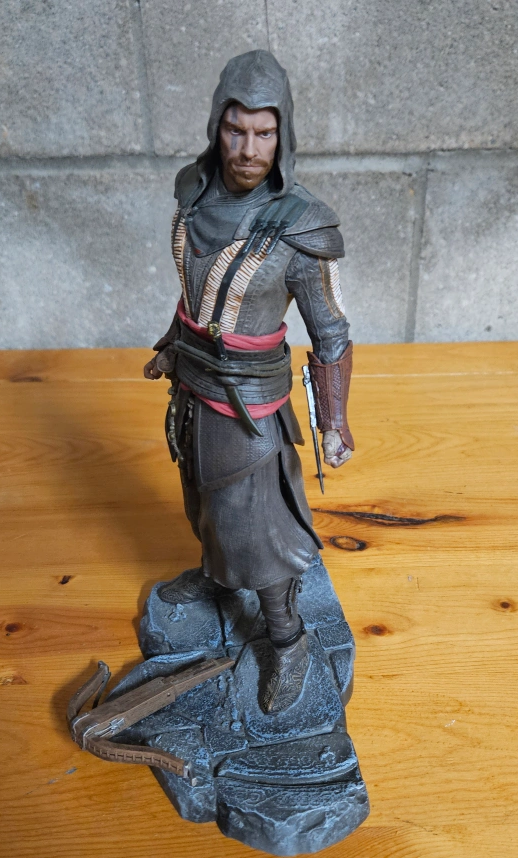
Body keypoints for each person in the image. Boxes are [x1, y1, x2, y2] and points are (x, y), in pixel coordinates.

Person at [143, 50, 354, 714]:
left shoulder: (300, 227)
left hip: (250, 406)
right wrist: (171, 344)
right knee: (203, 502)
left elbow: (331, 334)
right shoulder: (193, 196)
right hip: (192, 387)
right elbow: (195, 294)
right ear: (218, 126)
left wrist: (334, 421)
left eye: (264, 133)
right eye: (236, 130)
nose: (248, 149)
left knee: (257, 527)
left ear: (282, 133)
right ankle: (217, 577)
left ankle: (287, 640)